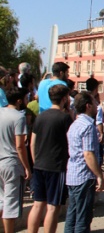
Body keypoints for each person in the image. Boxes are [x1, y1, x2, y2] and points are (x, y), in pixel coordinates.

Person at [28, 84, 73, 233]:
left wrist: (36, 161)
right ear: (65, 98)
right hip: (57, 166)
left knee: (37, 204)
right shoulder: (65, 118)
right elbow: (71, 141)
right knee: (53, 207)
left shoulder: (40, 117)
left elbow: (32, 142)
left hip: (40, 164)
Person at [64, 92, 104, 233]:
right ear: (88, 106)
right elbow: (88, 154)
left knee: (72, 214)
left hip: (73, 175)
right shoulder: (88, 126)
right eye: (94, 103)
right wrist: (99, 175)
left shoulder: (75, 124)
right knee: (83, 217)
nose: (97, 106)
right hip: (84, 176)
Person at [0, 88, 32, 233]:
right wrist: (27, 167)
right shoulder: (19, 117)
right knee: (11, 204)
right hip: (11, 162)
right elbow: (20, 145)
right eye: (26, 98)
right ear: (19, 100)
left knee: (1, 201)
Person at [85, 77, 104, 167]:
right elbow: (98, 120)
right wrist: (101, 133)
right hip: (92, 130)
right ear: (96, 88)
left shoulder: (82, 98)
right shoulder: (94, 103)